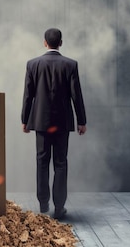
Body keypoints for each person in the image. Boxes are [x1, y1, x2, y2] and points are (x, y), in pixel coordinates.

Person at [21, 28, 87, 220]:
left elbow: (28, 95)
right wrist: (81, 121)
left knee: (42, 162)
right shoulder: (70, 65)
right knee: (60, 163)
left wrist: (25, 120)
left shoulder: (33, 64)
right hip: (62, 122)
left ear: (44, 42)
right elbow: (77, 95)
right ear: (61, 43)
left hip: (41, 122)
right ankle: (59, 207)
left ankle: (43, 204)